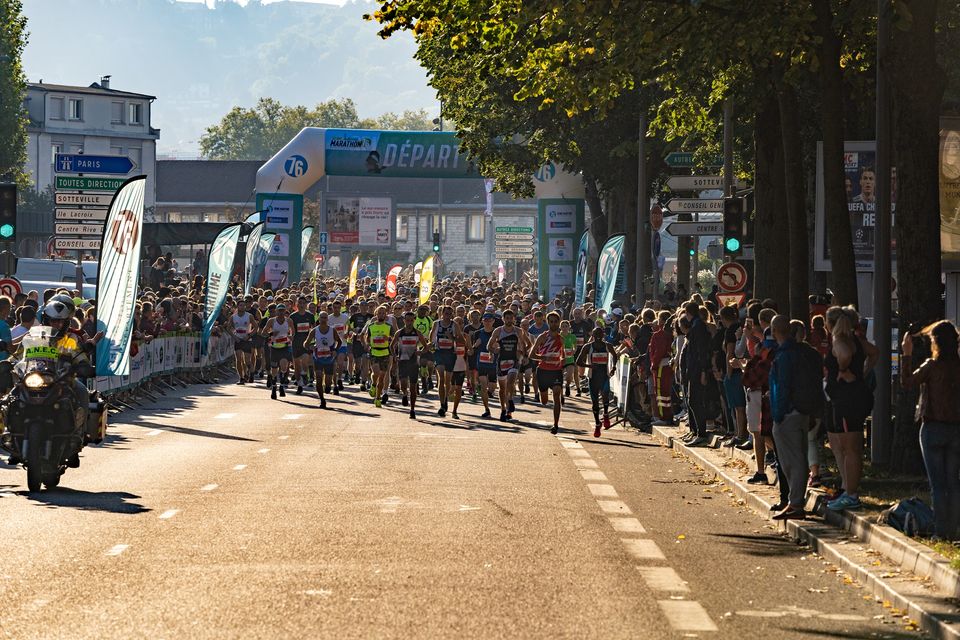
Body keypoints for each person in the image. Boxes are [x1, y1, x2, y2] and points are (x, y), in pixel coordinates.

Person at [901, 320, 960, 540]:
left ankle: (940, 531)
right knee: (953, 481)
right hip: (956, 428)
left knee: (938, 483)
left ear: (935, 342)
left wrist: (907, 354)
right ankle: (953, 530)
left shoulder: (931, 366)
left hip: (933, 426)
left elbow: (907, 382)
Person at [823, 306, 873, 511]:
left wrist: (843, 370)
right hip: (852, 396)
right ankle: (847, 489)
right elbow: (875, 353)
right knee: (845, 446)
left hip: (847, 398)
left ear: (830, 323)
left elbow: (843, 355)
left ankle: (851, 494)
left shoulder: (839, 341)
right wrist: (862, 372)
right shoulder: (856, 341)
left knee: (850, 448)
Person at [768, 315, 815, 521]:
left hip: (788, 412)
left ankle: (795, 503)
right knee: (797, 457)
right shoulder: (802, 352)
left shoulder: (784, 354)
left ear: (774, 331)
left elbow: (783, 385)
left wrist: (779, 413)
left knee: (792, 460)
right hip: (801, 410)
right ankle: (794, 500)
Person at [680, 302, 712, 446]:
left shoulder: (698, 327)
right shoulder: (696, 325)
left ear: (688, 313)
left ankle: (701, 433)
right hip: (693, 368)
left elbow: (701, 351)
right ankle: (695, 430)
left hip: (697, 369)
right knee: (692, 400)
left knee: (695, 401)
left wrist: (704, 370)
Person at [530, 311, 566, 434]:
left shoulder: (561, 338)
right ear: (548, 322)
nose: (554, 324)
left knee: (556, 395)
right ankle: (542, 394)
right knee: (544, 401)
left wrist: (562, 362)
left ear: (559, 322)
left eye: (556, 321)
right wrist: (544, 358)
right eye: (551, 321)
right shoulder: (543, 337)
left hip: (556, 372)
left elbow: (563, 356)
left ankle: (555, 425)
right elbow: (531, 354)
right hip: (543, 371)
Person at [391, 311, 431, 419]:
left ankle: (412, 409)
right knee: (404, 384)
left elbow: (426, 346)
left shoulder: (417, 333)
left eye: (411, 320)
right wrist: (395, 356)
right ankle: (404, 394)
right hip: (402, 361)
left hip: (413, 362)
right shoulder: (399, 333)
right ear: (404, 321)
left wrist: (421, 352)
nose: (409, 322)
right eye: (407, 320)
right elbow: (391, 346)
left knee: (413, 388)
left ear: (414, 320)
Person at [577, 326, 613, 437]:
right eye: (595, 335)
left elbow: (615, 355)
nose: (598, 337)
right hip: (593, 378)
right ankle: (598, 423)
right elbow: (578, 361)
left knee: (605, 396)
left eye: (599, 335)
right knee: (595, 403)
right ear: (592, 336)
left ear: (603, 335)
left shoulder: (608, 346)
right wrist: (589, 365)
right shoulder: (588, 347)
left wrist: (614, 367)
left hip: (604, 376)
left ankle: (606, 413)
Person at [303, 311, 342, 409]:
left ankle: (328, 386)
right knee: (319, 378)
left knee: (328, 384)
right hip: (318, 358)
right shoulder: (314, 331)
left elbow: (339, 342)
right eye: (322, 318)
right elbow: (306, 343)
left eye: (325, 318)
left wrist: (335, 350)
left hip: (329, 359)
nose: (323, 320)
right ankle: (322, 400)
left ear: (327, 319)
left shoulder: (332, 330)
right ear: (319, 319)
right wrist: (310, 348)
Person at [262, 303, 295, 400]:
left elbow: (293, 331)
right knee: (274, 369)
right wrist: (271, 333)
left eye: (282, 310)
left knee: (284, 366)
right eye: (279, 310)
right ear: (276, 311)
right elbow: (263, 333)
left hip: (285, 346)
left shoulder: (289, 320)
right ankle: (274, 386)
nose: (281, 312)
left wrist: (291, 336)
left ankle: (281, 385)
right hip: (274, 347)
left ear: (285, 311)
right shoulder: (271, 321)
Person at [364, 304, 394, 408]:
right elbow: (367, 338)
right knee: (376, 373)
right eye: (379, 313)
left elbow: (394, 339)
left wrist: (388, 339)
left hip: (385, 353)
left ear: (386, 315)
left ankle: (377, 398)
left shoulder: (389, 327)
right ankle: (373, 385)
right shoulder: (371, 326)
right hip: (374, 352)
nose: (381, 315)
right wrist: (367, 344)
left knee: (381, 378)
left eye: (383, 313)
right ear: (376, 314)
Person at [228, 299, 254, 384]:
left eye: (244, 305)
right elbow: (228, 328)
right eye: (240, 305)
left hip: (247, 340)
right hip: (238, 340)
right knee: (238, 359)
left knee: (247, 361)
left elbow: (256, 327)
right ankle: (241, 378)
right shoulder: (233, 317)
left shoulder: (249, 316)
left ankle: (251, 373)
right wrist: (234, 336)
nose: (242, 307)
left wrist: (249, 335)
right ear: (237, 306)